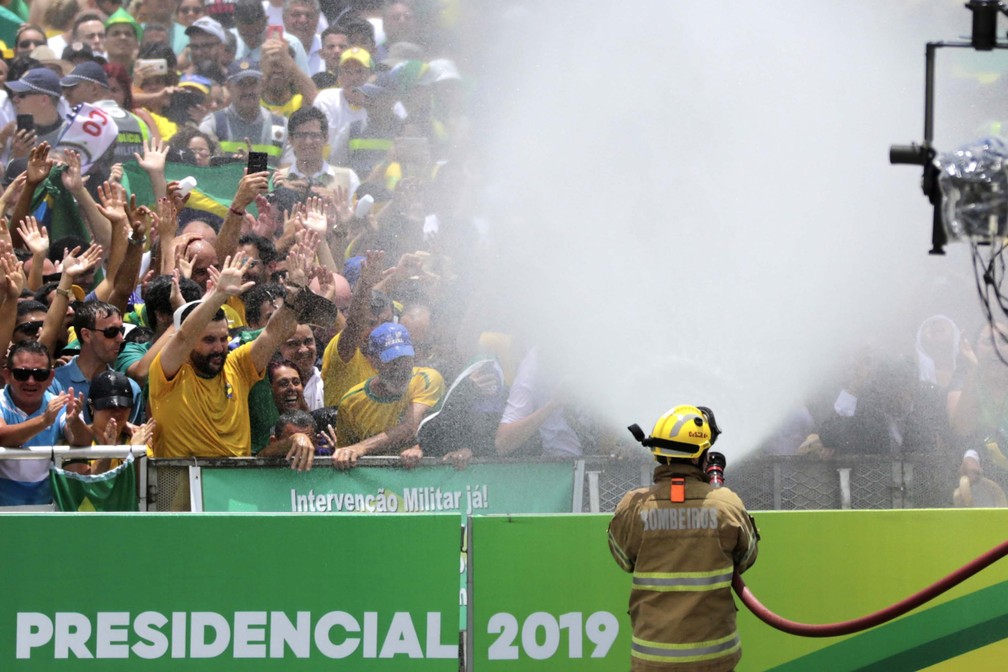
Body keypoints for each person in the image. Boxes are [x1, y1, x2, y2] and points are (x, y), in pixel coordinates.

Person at [608, 405, 759, 672]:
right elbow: (746, 558)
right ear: (699, 456)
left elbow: (623, 560)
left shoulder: (634, 506)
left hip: (652, 659)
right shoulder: (726, 504)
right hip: (715, 658)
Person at [148, 253, 313, 471]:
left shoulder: (237, 365)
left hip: (235, 489)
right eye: (208, 340)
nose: (218, 348)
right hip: (186, 493)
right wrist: (219, 294)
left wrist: (295, 292)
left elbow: (276, 331)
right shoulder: (168, 374)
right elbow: (184, 336)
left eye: (222, 338)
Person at [333, 321, 444, 469]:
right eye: (392, 361)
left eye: (404, 359)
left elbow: (409, 428)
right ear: (372, 360)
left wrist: (362, 447)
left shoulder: (427, 379)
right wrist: (349, 451)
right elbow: (345, 453)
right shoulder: (351, 402)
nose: (400, 368)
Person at [0, 340, 90, 506]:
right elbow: (2, 436)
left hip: (45, 509)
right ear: (7, 375)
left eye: (39, 375)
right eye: (22, 374)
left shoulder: (60, 404)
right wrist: (44, 420)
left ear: (50, 378)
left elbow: (82, 441)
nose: (31, 381)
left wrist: (75, 421)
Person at [198, 58, 291, 165]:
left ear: (263, 85)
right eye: (241, 84)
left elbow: (286, 171)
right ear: (228, 87)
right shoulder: (213, 125)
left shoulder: (282, 127)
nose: (248, 90)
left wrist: (254, 163)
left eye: (253, 83)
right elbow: (202, 169)